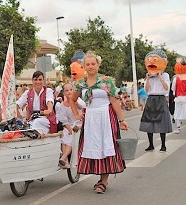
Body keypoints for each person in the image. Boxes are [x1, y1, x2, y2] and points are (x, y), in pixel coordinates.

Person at [70, 51, 128, 194]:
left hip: (106, 116)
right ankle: (100, 177)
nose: (90, 67)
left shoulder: (106, 81)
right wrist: (77, 114)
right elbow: (72, 99)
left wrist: (122, 120)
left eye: (93, 64)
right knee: (95, 145)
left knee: (106, 145)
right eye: (87, 64)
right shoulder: (81, 84)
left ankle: (104, 180)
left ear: (98, 65)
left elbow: (114, 101)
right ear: (84, 66)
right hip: (90, 117)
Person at [139, 49, 172, 152]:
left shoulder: (165, 75)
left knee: (162, 122)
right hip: (151, 98)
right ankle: (151, 144)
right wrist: (148, 78)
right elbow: (147, 89)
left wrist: (160, 77)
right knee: (149, 122)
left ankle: (163, 145)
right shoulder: (149, 75)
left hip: (161, 98)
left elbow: (166, 88)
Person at [56, 83, 81, 169]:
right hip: (68, 125)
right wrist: (69, 128)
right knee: (64, 134)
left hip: (78, 124)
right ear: (63, 92)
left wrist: (77, 104)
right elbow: (64, 120)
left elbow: (82, 113)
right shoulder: (62, 105)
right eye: (66, 90)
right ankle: (65, 160)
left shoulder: (78, 102)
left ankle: (64, 156)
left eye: (70, 90)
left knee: (71, 136)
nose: (69, 92)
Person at [171, 58, 186, 133]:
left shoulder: (175, 79)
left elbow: (173, 89)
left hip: (179, 97)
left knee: (178, 112)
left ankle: (178, 128)